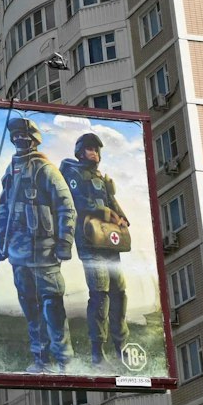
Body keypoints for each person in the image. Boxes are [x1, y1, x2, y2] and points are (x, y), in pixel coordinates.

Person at [0, 116, 75, 372]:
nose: (19, 140)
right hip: (18, 253)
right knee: (30, 308)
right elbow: (4, 208)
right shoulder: (11, 169)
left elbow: (66, 208)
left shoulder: (45, 169)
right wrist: (0, 241)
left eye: (23, 136)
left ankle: (65, 361)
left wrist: (64, 243)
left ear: (34, 139)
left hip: (45, 251)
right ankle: (41, 360)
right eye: (15, 136)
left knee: (52, 307)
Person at [61, 131, 131, 366]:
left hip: (109, 240)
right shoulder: (72, 172)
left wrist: (121, 216)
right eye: (90, 148)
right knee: (100, 293)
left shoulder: (100, 177)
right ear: (80, 152)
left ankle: (121, 345)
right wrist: (106, 212)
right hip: (89, 240)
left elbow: (111, 200)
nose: (94, 153)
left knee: (119, 293)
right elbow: (77, 200)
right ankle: (97, 351)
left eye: (97, 149)